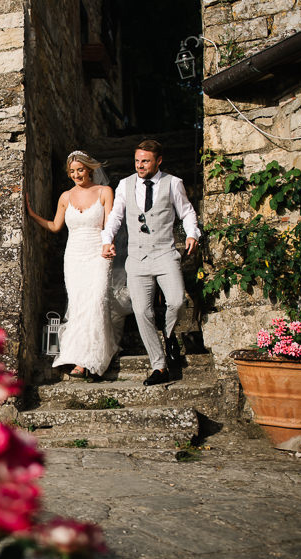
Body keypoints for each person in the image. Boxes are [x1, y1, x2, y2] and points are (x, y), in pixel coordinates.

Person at [101, 140, 200, 386]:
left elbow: (187, 212)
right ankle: (159, 365)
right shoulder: (125, 184)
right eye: (137, 161)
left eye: (145, 161)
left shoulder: (173, 183)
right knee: (142, 311)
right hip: (137, 257)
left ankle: (168, 335)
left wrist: (191, 233)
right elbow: (115, 215)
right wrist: (107, 239)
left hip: (165, 254)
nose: (140, 165)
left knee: (176, 302)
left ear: (158, 161)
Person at [25, 151, 120, 378]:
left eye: (80, 169)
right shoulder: (65, 197)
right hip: (74, 256)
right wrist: (30, 214)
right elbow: (56, 226)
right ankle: (79, 357)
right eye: (72, 171)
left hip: (98, 253)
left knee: (96, 300)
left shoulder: (104, 192)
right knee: (78, 304)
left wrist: (109, 245)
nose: (76, 174)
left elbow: (111, 224)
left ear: (89, 169)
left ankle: (94, 357)